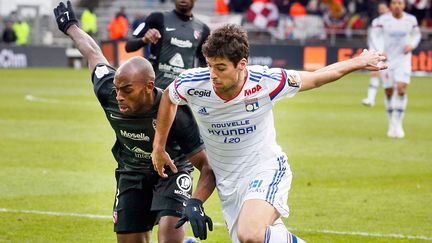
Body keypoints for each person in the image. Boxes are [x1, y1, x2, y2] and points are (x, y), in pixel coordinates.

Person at [152, 24, 387, 243]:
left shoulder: (266, 80)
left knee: (250, 234)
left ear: (241, 64)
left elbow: (316, 78)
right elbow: (168, 99)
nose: (213, 74)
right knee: (257, 238)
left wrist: (358, 62)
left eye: (221, 67)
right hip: (228, 183)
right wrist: (159, 147)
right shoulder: (192, 83)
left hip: (265, 168)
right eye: (210, 65)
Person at [53, 1, 216, 242]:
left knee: (169, 237)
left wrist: (196, 202)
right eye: (117, 89)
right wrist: (70, 26)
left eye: (127, 90)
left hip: (171, 172)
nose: (118, 96)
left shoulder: (176, 112)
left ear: (149, 87)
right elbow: (93, 53)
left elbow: (207, 167)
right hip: (131, 171)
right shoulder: (108, 91)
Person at [125, 0, 210, 90]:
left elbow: (204, 63)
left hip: (183, 92)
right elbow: (128, 46)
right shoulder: (157, 18)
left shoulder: (203, 29)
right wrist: (144, 40)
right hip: (155, 90)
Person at [369, 0, 421, 138]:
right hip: (387, 59)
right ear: (390, 6)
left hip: (403, 59)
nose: (397, 5)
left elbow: (417, 34)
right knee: (389, 91)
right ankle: (391, 122)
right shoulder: (382, 20)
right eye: (395, 3)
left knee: (401, 89)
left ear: (404, 5)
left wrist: (412, 45)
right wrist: (380, 51)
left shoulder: (411, 19)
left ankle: (398, 124)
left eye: (400, 3)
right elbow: (374, 36)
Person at [361, 1, 389, 107]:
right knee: (375, 74)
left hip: (391, 54)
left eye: (383, 8)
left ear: (388, 9)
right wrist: (375, 51)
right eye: (380, 8)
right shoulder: (375, 22)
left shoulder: (393, 22)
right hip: (379, 52)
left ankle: (389, 100)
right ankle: (370, 99)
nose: (382, 10)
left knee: (388, 78)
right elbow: (372, 38)